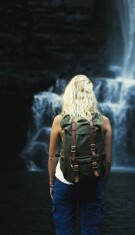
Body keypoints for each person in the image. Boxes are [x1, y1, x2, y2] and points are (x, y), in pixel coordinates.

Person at [48, 74, 112, 235]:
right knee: (90, 229)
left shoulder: (59, 120)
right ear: (91, 95)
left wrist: (51, 183)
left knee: (64, 230)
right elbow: (108, 159)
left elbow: (52, 157)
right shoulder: (104, 121)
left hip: (64, 181)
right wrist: (102, 182)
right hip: (92, 180)